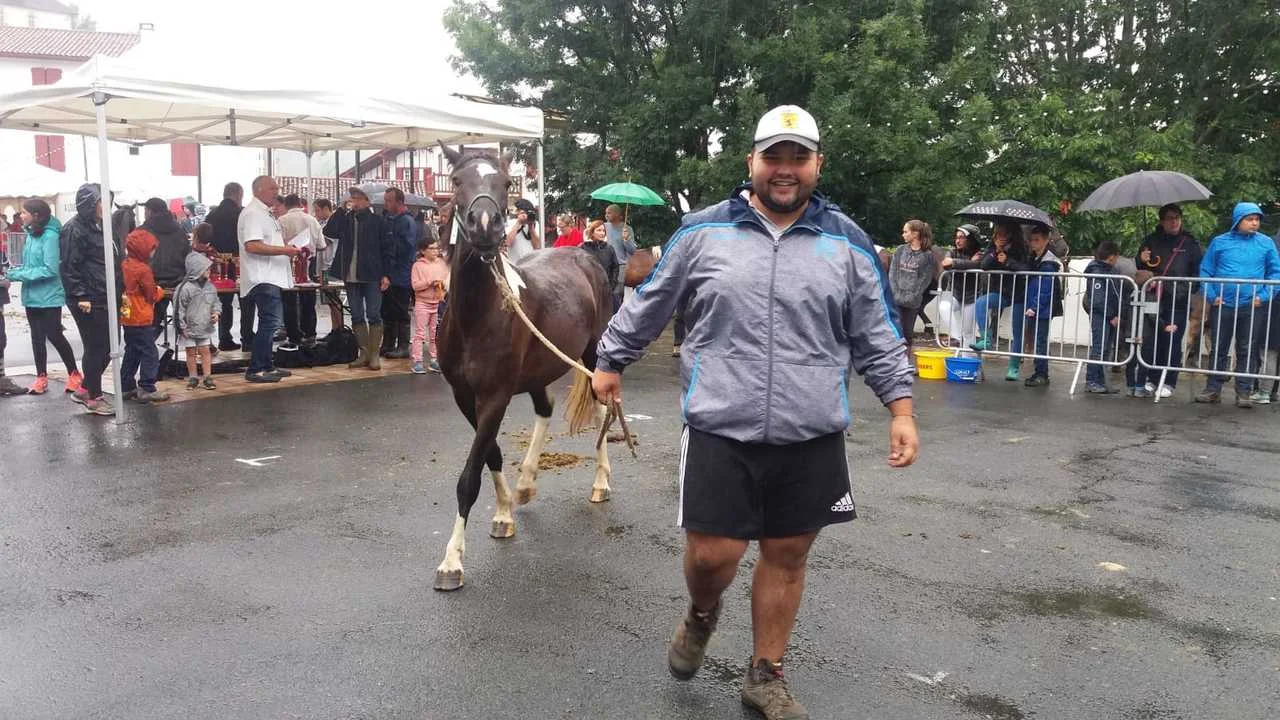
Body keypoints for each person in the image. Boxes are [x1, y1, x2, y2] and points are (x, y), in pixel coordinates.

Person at [592, 105, 917, 720]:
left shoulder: (847, 242)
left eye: (799, 157)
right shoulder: (702, 232)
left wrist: (901, 408)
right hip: (719, 423)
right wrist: (612, 359)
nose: (785, 169)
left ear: (818, 165)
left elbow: (876, 333)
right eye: (774, 157)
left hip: (811, 429)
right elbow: (651, 300)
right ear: (752, 162)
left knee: (787, 553)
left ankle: (765, 674)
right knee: (713, 556)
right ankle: (702, 612)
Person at [1195, 202, 1280, 407]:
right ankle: (1213, 389)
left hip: (1252, 305)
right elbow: (1206, 271)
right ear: (1237, 220)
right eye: (1250, 219)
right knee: (1219, 346)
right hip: (1223, 303)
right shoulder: (1219, 242)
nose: (1254, 223)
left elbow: (1275, 273)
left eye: (1257, 219)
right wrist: (1212, 296)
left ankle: (1244, 392)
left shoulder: (1266, 243)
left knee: (1247, 348)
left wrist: (1263, 296)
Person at [8, 199, 81, 395]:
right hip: (31, 295)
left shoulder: (50, 236)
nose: (21, 215)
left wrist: (18, 275)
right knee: (37, 338)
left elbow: (50, 269)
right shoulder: (31, 235)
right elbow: (30, 266)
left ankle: (74, 374)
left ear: (36, 215)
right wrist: (15, 272)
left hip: (49, 296)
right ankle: (41, 377)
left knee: (54, 335)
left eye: (24, 212)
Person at [1133, 204, 1203, 398]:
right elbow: (1141, 269)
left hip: (1178, 301)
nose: (1174, 222)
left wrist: (1184, 290)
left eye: (1177, 218)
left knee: (1172, 341)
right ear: (1162, 221)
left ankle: (1169, 381)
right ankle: (1152, 377)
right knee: (1152, 340)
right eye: (1170, 218)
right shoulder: (1150, 240)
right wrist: (1141, 259)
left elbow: (1198, 273)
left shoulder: (1190, 243)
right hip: (1154, 298)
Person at [60, 183, 118, 416]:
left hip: (105, 294)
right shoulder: (74, 229)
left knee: (110, 345)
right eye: (101, 201)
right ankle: (94, 395)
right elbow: (69, 265)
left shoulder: (102, 226)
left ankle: (86, 388)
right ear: (90, 204)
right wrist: (81, 295)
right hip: (88, 297)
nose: (105, 206)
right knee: (96, 346)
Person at [237, 176, 300, 384]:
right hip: (262, 276)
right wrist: (284, 250)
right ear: (258, 190)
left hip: (269, 275)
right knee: (270, 321)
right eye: (272, 188)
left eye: (277, 188)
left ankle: (266, 365)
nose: (276, 192)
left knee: (270, 322)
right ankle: (256, 369)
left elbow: (265, 242)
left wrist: (285, 247)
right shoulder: (254, 213)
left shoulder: (264, 213)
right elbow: (252, 245)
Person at [324, 186, 390, 369]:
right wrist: (340, 209)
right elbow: (329, 231)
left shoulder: (378, 221)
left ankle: (374, 354)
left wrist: (386, 274)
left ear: (368, 201)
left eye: (359, 198)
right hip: (350, 274)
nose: (355, 201)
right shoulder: (345, 219)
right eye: (353, 198)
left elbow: (387, 248)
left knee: (374, 314)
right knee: (356, 314)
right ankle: (364, 353)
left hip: (372, 274)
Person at [119, 228, 170, 403]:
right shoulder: (143, 269)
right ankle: (147, 387)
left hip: (127, 314)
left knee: (132, 349)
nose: (153, 251)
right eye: (151, 248)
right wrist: (160, 291)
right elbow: (151, 295)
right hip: (141, 315)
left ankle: (126, 386)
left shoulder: (124, 264)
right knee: (150, 352)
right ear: (143, 249)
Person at [1012, 224, 1063, 386]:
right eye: (1032, 240)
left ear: (1046, 240)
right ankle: (1039, 372)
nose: (1033, 243)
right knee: (1038, 339)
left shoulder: (1048, 263)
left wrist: (1034, 307)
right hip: (1037, 307)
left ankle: (1042, 373)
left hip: (1041, 309)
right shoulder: (1036, 259)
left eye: (1037, 240)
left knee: (1040, 340)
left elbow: (1045, 290)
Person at [970, 222, 1030, 354]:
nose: (1001, 237)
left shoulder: (1021, 248)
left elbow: (1026, 268)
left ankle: (1014, 362)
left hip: (1019, 294)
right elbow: (983, 265)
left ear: (1011, 235)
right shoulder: (992, 247)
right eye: (999, 234)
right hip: (1002, 292)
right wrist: (995, 251)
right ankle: (986, 339)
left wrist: (1008, 262)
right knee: (981, 302)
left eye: (1005, 234)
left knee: (1017, 330)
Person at [205, 182, 249, 351]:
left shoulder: (212, 215)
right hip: (240, 263)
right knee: (246, 300)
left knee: (224, 302)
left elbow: (206, 239)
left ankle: (224, 337)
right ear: (238, 195)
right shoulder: (242, 213)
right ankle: (247, 337)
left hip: (218, 264)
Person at [141, 197, 191, 343]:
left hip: (152, 284)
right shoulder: (179, 230)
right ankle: (193, 351)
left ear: (149, 211)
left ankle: (149, 351)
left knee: (149, 327)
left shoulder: (142, 232)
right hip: (178, 284)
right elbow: (187, 256)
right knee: (185, 325)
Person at [278, 194, 325, 349]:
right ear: (300, 204)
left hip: (288, 265)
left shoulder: (281, 221)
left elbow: (277, 245)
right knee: (309, 302)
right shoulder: (312, 220)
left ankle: (293, 336)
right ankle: (310, 334)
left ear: (286, 205)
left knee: (289, 302)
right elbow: (322, 245)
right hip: (309, 264)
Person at [1082, 241, 1127, 394]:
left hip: (1109, 315)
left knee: (1106, 349)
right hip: (1101, 316)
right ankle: (1092, 381)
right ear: (1112, 257)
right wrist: (1112, 315)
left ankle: (1102, 381)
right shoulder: (1097, 272)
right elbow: (1098, 300)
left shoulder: (1109, 270)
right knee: (1099, 348)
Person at [888, 219, 937, 349]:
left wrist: (912, 295)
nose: (903, 234)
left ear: (915, 234)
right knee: (894, 333)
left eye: (906, 232)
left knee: (907, 334)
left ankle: (906, 359)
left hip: (912, 301)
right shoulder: (900, 250)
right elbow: (893, 273)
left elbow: (925, 279)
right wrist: (895, 293)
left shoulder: (927, 255)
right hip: (896, 299)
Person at [380, 188, 417, 359]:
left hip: (401, 274)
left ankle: (403, 346)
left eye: (389, 201)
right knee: (388, 311)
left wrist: (390, 242)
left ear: (399, 202)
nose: (386, 204)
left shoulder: (407, 221)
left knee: (401, 310)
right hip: (389, 273)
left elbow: (406, 248)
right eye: (386, 200)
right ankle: (388, 343)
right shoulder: (389, 219)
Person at [175, 250, 219, 390]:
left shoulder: (210, 287)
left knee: (205, 350)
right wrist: (181, 327)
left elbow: (216, 302)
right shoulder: (184, 289)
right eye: (206, 269)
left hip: (204, 326)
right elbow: (179, 309)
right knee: (191, 352)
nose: (209, 271)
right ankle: (193, 377)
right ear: (197, 270)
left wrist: (216, 313)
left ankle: (207, 377)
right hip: (188, 329)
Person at [938, 224, 985, 347]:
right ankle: (957, 338)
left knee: (968, 332)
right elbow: (946, 263)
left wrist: (955, 263)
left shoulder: (979, 254)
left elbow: (977, 264)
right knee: (944, 307)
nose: (957, 241)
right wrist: (967, 263)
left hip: (971, 297)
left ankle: (968, 357)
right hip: (955, 293)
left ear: (971, 239)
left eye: (961, 237)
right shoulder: (952, 251)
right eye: (956, 237)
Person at [409, 237, 449, 374]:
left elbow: (447, 280)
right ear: (423, 251)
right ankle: (417, 361)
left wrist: (442, 285)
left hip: (437, 303)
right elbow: (415, 285)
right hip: (422, 303)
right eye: (431, 248)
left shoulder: (442, 264)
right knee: (420, 333)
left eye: (436, 248)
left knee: (434, 334)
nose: (435, 251)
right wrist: (430, 282)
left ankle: (434, 360)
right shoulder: (417, 266)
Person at [311, 198, 344, 334]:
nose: (316, 213)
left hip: (330, 265)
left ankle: (339, 329)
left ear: (326, 209)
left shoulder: (333, 223)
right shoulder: (322, 223)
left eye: (318, 210)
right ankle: (334, 329)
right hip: (323, 267)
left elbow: (325, 242)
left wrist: (313, 237)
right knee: (329, 301)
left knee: (334, 300)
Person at [604, 203, 637, 311]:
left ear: (617, 214)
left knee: (616, 296)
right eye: (606, 213)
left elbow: (632, 251)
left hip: (620, 267)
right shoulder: (604, 227)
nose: (606, 215)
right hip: (605, 265)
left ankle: (618, 317)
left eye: (609, 213)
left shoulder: (627, 229)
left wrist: (626, 239)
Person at [580, 220, 620, 303]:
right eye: (599, 230)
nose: (602, 233)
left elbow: (615, 267)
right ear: (592, 232)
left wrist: (612, 286)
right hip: (589, 289)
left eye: (603, 231)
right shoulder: (583, 248)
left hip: (606, 289)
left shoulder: (609, 248)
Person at [504, 197, 542, 263]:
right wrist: (518, 223)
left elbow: (537, 246)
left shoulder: (535, 224)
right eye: (522, 212)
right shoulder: (511, 223)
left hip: (531, 264)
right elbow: (508, 243)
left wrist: (531, 227)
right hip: (514, 264)